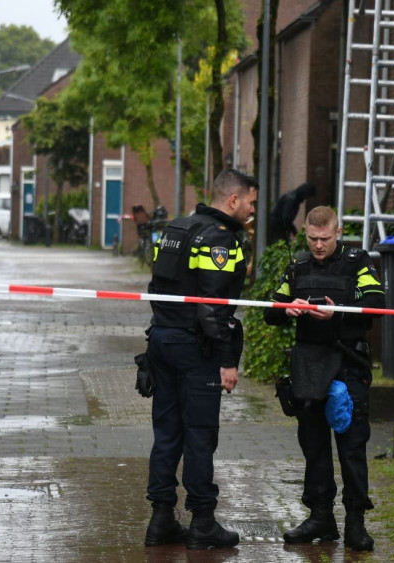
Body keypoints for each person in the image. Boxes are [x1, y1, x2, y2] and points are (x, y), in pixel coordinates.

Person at [143, 168, 259, 550]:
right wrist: (227, 360)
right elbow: (213, 307)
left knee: (167, 434)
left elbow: (157, 288)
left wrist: (157, 341)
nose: (252, 211)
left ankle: (161, 520)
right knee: (199, 436)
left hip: (162, 341)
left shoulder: (174, 230)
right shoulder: (219, 240)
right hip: (196, 349)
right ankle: (203, 523)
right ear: (233, 200)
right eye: (251, 203)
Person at [263, 205, 385, 552]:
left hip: (348, 365)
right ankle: (320, 517)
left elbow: (377, 302)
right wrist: (286, 309)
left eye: (325, 238)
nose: (319, 245)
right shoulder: (298, 267)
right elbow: (272, 311)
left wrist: (339, 311)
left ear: (338, 232)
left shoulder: (358, 262)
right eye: (313, 239)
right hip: (309, 366)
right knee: (314, 446)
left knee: (352, 447)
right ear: (306, 234)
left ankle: (356, 522)